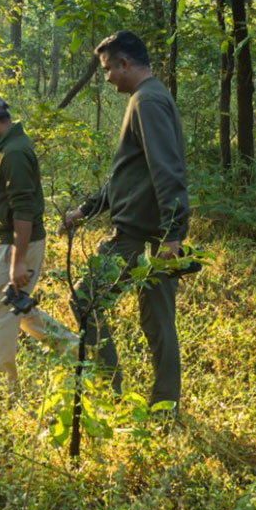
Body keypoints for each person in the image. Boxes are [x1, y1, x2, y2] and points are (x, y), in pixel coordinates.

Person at [61, 31, 189, 411]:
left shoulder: (147, 101)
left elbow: (168, 170)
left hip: (140, 237)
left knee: (85, 299)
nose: (107, 78)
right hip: (149, 233)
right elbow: (129, 173)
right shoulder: (148, 98)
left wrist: (172, 235)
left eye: (107, 70)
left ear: (125, 63)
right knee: (158, 324)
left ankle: (112, 393)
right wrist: (88, 209)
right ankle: (164, 407)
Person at [0, 92, 76, 389]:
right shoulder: (4, 147)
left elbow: (23, 210)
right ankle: (75, 348)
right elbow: (3, 201)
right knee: (16, 308)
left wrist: (17, 260)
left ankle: (1, 386)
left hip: (15, 245)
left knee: (1, 314)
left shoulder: (15, 153)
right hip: (6, 240)